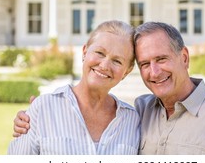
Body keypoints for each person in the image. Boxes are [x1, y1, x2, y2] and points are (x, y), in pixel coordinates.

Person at [13, 21, 205, 155]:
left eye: (162, 59)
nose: (154, 72)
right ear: (85, 53)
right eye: (145, 63)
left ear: (184, 57)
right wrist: (33, 116)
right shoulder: (141, 112)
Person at [8, 20, 140, 155]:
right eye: (100, 53)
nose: (105, 65)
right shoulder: (42, 109)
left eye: (117, 61)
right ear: (84, 52)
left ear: (127, 72)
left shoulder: (133, 120)